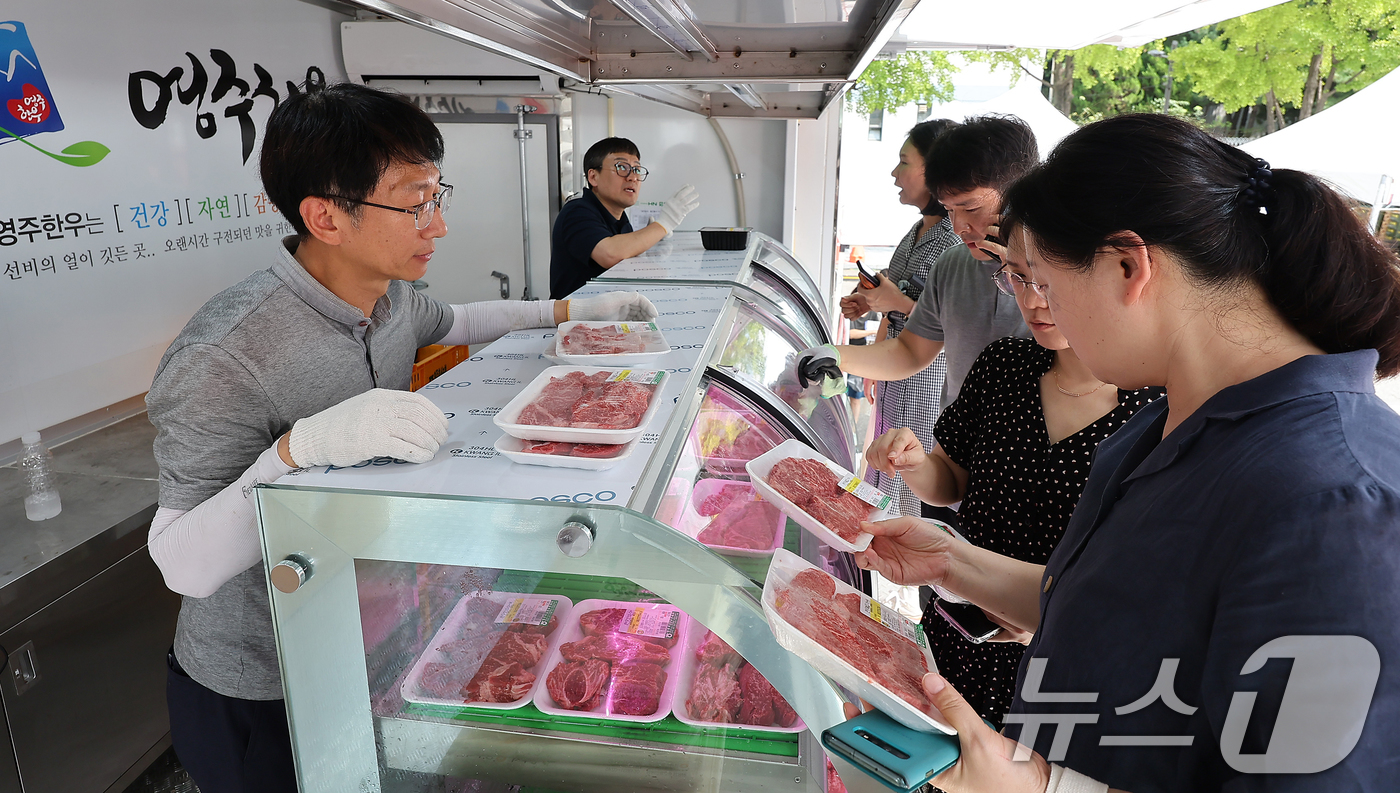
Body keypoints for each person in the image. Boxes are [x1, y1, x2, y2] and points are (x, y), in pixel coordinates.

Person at [850, 114, 1400, 793]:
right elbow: (1109, 605)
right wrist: (951, 560)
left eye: (1046, 285)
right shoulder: (1165, 421)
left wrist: (1042, 786)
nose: (1039, 311)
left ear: (1127, 265)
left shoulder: (1338, 504)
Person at [144, 82, 658, 793]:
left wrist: (570, 309)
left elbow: (458, 320)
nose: (438, 225)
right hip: (262, 684)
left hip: (369, 637)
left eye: (437, 195)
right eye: (414, 204)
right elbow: (182, 566)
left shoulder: (389, 297)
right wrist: (295, 451)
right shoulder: (225, 352)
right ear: (325, 215)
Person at [864, 224, 1162, 728]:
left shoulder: (1158, 409)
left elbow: (1143, 588)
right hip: (960, 630)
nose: (1033, 301)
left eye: (1047, 283)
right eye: (1018, 279)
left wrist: (1044, 621)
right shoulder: (1004, 365)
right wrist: (914, 464)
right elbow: (951, 482)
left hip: (1064, 662)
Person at [800, 114, 1035, 416]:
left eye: (971, 207)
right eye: (950, 210)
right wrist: (835, 356)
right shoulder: (952, 265)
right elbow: (910, 351)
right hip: (955, 441)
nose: (960, 226)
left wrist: (1025, 275)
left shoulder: (1055, 269)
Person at [842, 118, 963, 518]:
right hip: (895, 377)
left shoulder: (955, 239)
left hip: (927, 384)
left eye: (903, 162)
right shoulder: (914, 232)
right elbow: (893, 299)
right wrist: (872, 303)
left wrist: (897, 303)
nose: (895, 173)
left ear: (935, 171)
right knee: (883, 469)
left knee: (909, 484)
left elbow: (951, 320)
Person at [549, 137, 700, 298]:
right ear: (593, 177)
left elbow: (623, 255)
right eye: (622, 167)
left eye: (636, 169)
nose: (632, 177)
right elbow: (609, 253)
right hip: (574, 319)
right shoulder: (577, 211)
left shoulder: (619, 217)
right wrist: (664, 224)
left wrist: (651, 246)